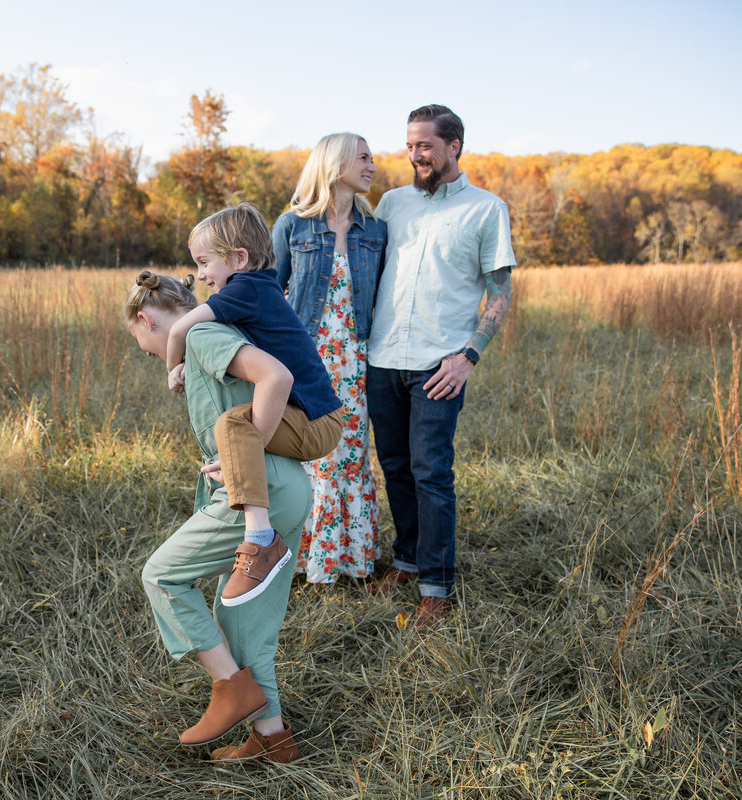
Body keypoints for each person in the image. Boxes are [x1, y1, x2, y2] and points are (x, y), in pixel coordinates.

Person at [127, 269, 306, 764]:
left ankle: (230, 687)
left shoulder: (203, 334)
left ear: (145, 319)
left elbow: (277, 377)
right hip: (288, 489)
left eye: (146, 346)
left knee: (162, 575)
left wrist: (242, 462)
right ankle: (274, 742)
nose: (153, 357)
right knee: (245, 627)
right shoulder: (216, 334)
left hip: (256, 492)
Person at [365, 104, 516, 626]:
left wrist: (468, 356)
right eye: (409, 146)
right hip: (381, 359)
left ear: (455, 147)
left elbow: (501, 293)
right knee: (396, 467)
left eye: (424, 145)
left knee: (432, 472)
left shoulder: (486, 209)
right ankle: (406, 560)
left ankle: (436, 584)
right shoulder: (390, 203)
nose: (414, 156)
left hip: (439, 365)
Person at [165, 203, 343, 607]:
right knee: (236, 427)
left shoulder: (245, 289)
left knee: (233, 426)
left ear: (239, 259)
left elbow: (179, 327)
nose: (203, 274)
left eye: (205, 262)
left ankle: (261, 540)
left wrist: (173, 366)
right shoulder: (259, 288)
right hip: (318, 416)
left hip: (316, 421)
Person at [272, 133, 386, 584]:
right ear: (335, 164)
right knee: (310, 455)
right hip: (306, 362)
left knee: (350, 455)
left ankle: (349, 558)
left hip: (356, 362)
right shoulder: (292, 226)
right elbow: (269, 294)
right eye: (363, 157)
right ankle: (301, 560)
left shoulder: (375, 228)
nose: (372, 165)